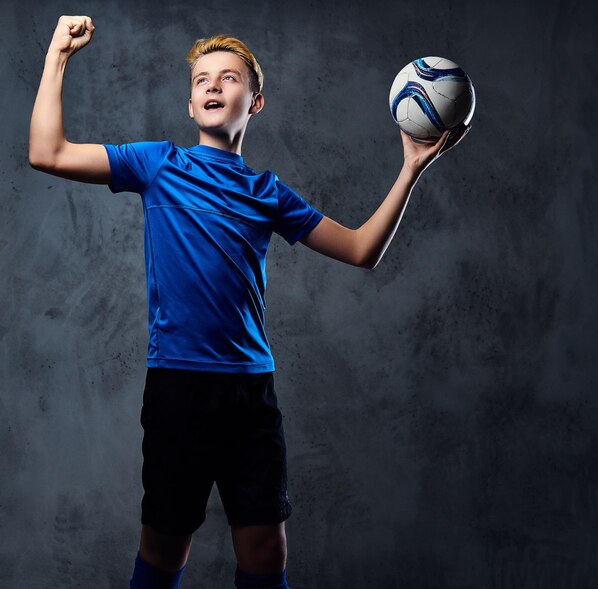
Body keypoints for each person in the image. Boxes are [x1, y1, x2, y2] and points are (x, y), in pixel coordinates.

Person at [29, 14, 470, 589]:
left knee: (264, 549)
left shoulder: (269, 195)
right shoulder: (158, 165)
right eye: (202, 79)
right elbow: (47, 152)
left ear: (255, 102)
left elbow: (363, 249)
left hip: (249, 395)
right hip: (178, 389)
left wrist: (411, 169)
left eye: (230, 77)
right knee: (163, 550)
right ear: (190, 105)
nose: (213, 85)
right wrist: (57, 55)